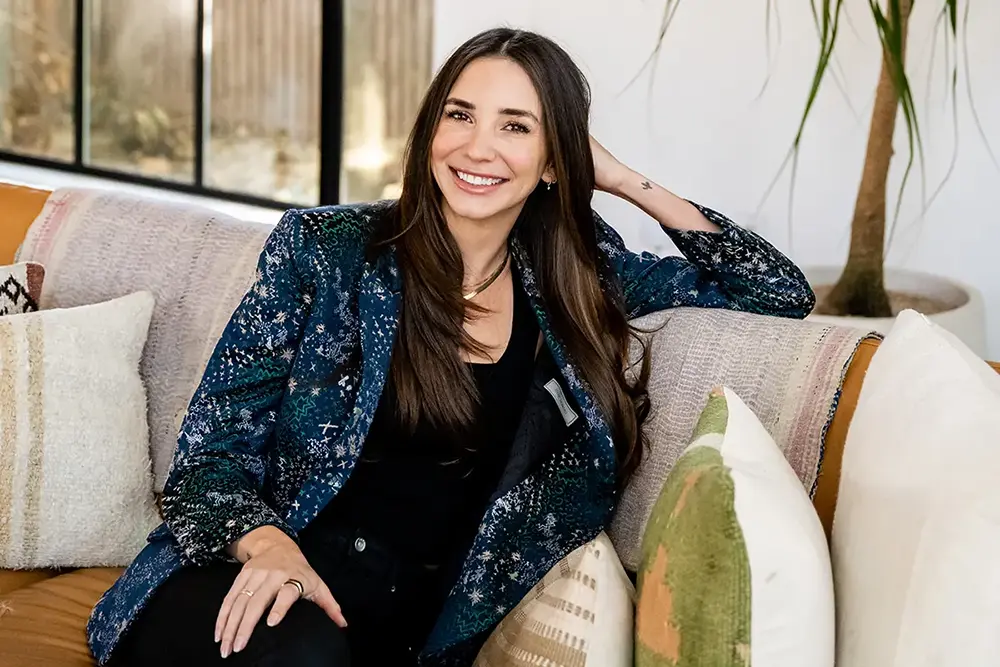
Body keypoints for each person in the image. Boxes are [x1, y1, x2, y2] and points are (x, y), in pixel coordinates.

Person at [88, 27, 815, 667]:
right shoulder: (326, 251)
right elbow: (206, 458)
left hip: (403, 627)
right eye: (459, 115)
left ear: (555, 161)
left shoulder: (577, 277)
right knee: (304, 652)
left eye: (516, 128)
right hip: (249, 577)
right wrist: (266, 543)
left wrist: (620, 179)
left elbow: (777, 291)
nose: (477, 146)